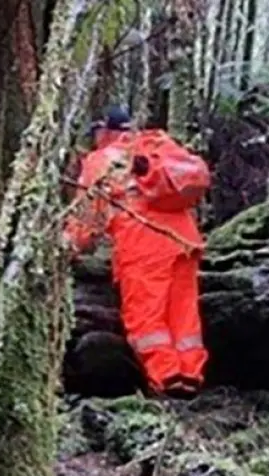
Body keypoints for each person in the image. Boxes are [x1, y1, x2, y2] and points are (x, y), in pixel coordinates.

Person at [64, 105, 210, 399]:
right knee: (183, 315)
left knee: (146, 318)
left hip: (144, 245)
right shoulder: (156, 146)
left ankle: (166, 379)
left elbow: (88, 219)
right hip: (184, 238)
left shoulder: (102, 160)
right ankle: (190, 375)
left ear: (105, 132)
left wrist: (66, 248)